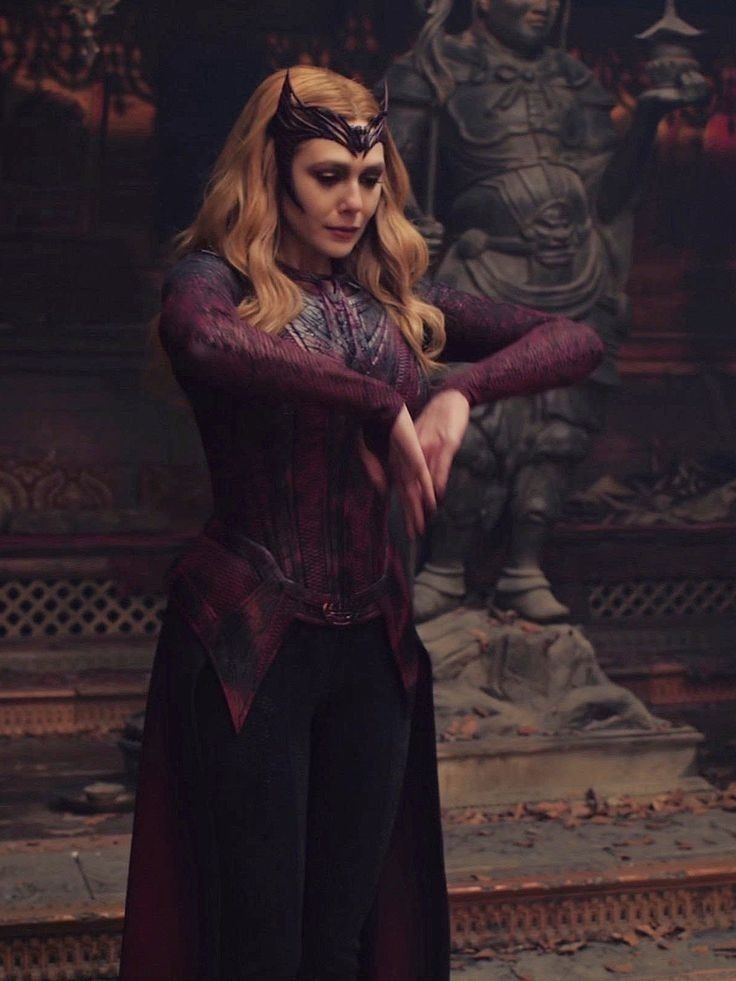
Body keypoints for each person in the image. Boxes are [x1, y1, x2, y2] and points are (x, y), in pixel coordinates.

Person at [119, 65, 603, 980]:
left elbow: (575, 339)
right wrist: (378, 402)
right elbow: (200, 339)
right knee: (257, 945)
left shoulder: (393, 302)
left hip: (372, 648)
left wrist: (459, 391)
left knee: (343, 940)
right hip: (249, 638)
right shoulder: (212, 281)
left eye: (370, 178)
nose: (353, 201)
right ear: (271, 172)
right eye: (327, 176)